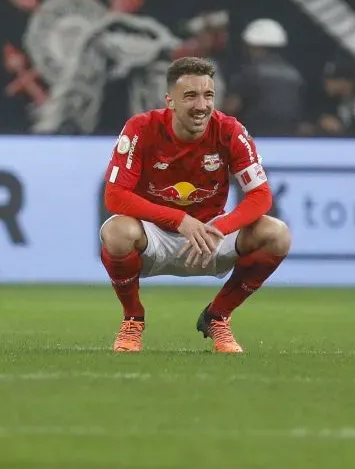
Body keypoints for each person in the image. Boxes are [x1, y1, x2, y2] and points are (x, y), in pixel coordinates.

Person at [99, 56, 291, 354]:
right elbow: (115, 195)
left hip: (209, 235)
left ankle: (218, 316)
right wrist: (178, 220)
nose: (201, 105)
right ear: (170, 101)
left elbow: (260, 196)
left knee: (277, 234)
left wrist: (220, 228)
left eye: (208, 95)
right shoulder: (142, 128)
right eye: (190, 96)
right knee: (115, 231)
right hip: (157, 235)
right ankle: (133, 319)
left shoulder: (230, 130)